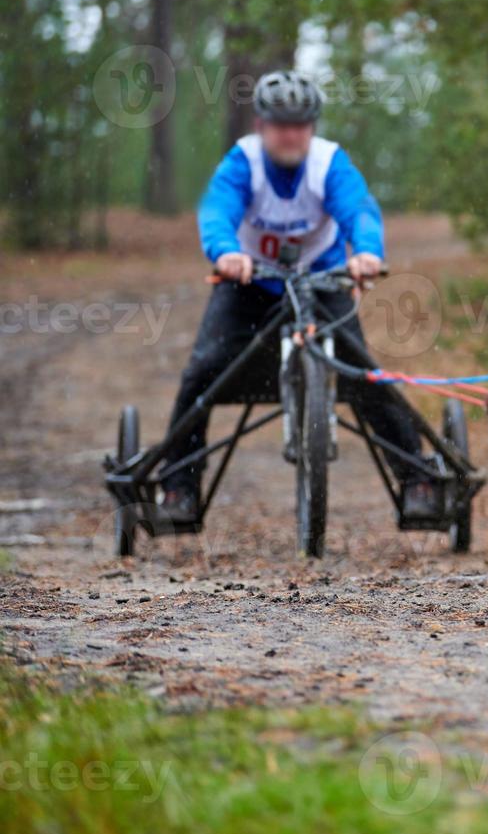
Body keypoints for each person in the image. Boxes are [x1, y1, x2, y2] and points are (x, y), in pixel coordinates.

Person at [156, 71, 436, 525]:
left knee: (366, 377)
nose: (291, 134)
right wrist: (224, 252)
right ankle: (178, 490)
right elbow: (217, 210)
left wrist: (367, 252)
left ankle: (418, 482)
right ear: (261, 124)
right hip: (249, 286)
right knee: (202, 373)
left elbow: (359, 209)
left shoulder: (330, 163)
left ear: (312, 126)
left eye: (300, 124)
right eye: (280, 124)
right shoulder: (241, 162)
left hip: (321, 284)